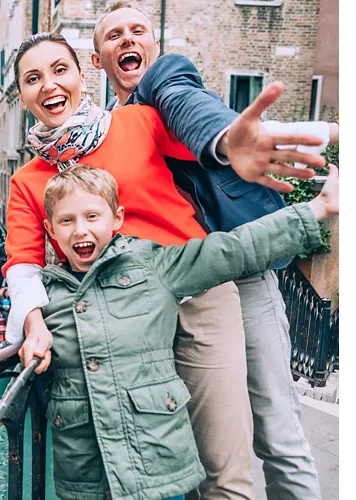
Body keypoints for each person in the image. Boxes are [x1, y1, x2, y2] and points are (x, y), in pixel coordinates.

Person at [3, 32, 334, 500]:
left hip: (195, 293)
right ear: (22, 95)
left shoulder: (137, 122)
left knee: (224, 465)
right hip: (119, 318)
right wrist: (33, 322)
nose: (49, 85)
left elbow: (213, 140)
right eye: (33, 79)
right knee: (161, 463)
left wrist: (250, 140)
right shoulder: (27, 180)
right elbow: (23, 263)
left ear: (83, 74)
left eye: (60, 70)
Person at [89, 2, 337, 497]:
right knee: (206, 448)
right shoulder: (105, 128)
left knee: (277, 435)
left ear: (154, 45)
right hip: (167, 294)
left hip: (239, 274)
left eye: (138, 30)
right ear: (98, 59)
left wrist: (227, 140)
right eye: (114, 35)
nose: (128, 40)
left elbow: (194, 109)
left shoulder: (165, 79)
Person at [38, 164, 338, 500]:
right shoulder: (44, 298)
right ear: (51, 228)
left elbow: (232, 250)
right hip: (86, 481)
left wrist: (317, 209)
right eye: (67, 221)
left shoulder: (153, 265)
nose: (80, 230)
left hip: (159, 468)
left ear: (117, 219)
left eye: (92, 217)